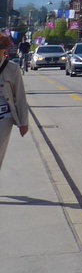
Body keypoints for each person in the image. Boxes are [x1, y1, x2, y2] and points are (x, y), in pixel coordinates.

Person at [0, 37, 31, 173]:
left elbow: (20, 97)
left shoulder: (12, 68)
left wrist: (23, 123)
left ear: (5, 49)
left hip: (4, 116)